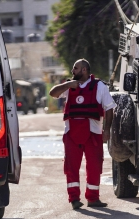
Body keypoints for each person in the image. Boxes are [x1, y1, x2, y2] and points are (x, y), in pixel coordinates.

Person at [49, 59, 116, 209]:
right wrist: (67, 85)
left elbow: (110, 108)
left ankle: (93, 199)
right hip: (71, 133)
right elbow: (53, 93)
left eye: (75, 68)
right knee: (71, 167)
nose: (73, 71)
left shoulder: (99, 86)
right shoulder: (69, 86)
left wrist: (107, 130)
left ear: (84, 70)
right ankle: (74, 199)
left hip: (93, 133)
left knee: (94, 166)